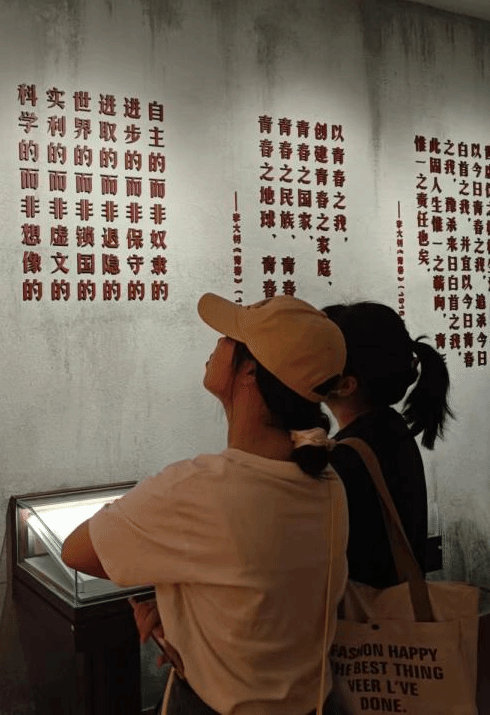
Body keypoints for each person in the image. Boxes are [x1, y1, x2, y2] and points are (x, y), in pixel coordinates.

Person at [61, 293, 350, 715]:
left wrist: (175, 592)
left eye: (230, 337)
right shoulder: (328, 483)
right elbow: (260, 606)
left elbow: (77, 550)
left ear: (249, 371)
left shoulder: (200, 489)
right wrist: (187, 608)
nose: (217, 342)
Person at [321, 302, 454, 588]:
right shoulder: (389, 428)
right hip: (394, 605)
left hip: (364, 610)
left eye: (314, 356)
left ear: (346, 385)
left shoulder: (348, 457)